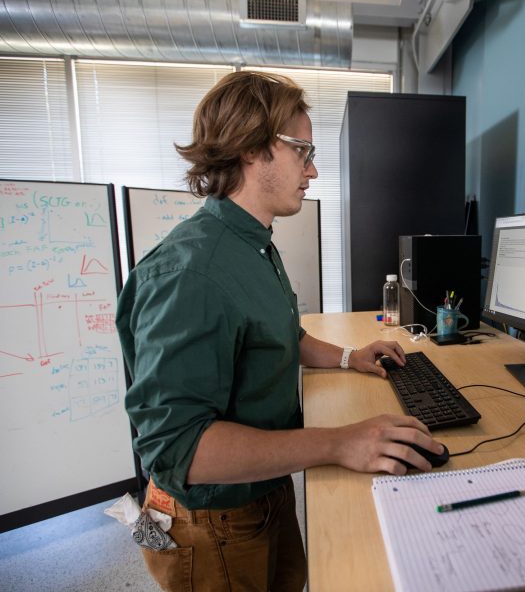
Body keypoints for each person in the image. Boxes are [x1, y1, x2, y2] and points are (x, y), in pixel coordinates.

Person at [116, 71, 444, 592]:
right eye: (302, 150)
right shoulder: (190, 271)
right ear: (250, 147)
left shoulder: (253, 244)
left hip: (267, 487)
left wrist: (348, 357)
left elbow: (279, 334)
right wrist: (339, 443)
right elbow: (180, 449)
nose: (313, 169)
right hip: (215, 519)